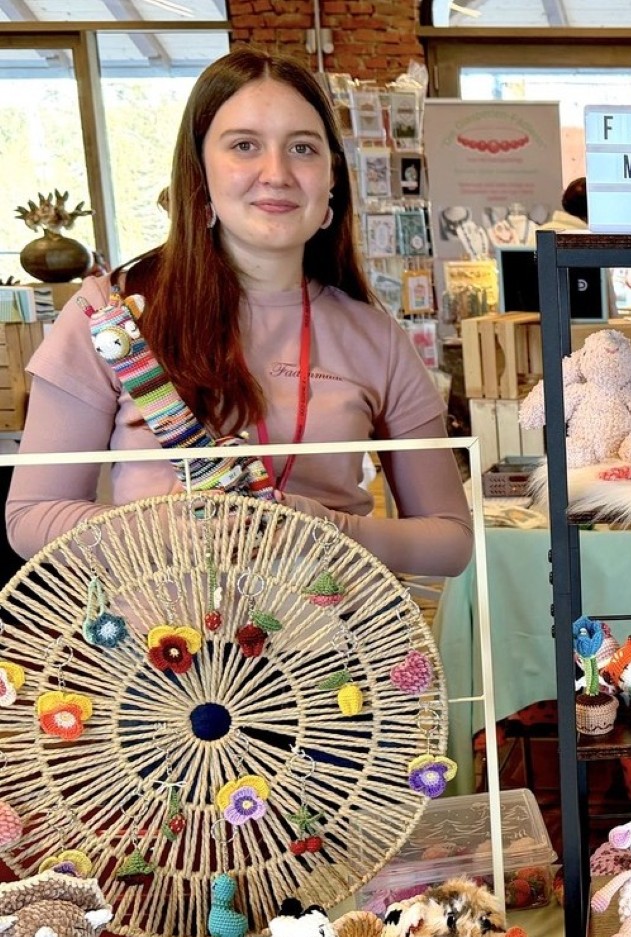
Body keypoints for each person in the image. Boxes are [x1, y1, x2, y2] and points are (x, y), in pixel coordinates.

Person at [6, 48, 472, 579]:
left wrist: (328, 532)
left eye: (302, 148)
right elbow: (29, 517)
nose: (276, 173)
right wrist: (161, 533)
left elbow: (450, 542)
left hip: (330, 631)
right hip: (160, 632)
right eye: (244, 145)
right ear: (199, 172)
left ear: (332, 181)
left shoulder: (375, 337)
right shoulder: (113, 316)